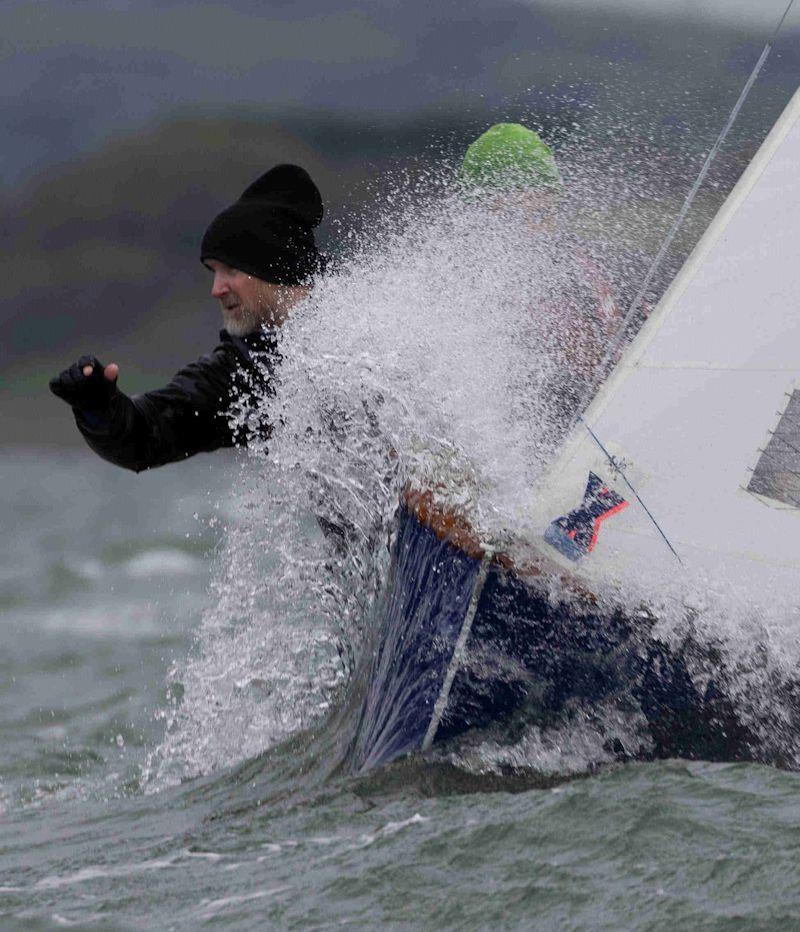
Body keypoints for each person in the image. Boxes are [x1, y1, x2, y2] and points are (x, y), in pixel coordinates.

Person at [49, 164, 324, 472]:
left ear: (277, 269)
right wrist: (99, 409)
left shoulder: (365, 331)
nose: (216, 289)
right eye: (213, 272)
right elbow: (149, 435)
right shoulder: (242, 374)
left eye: (231, 269)